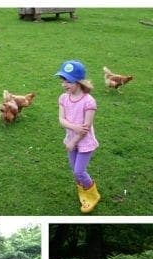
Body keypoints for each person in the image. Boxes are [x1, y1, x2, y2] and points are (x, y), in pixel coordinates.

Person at [55, 59, 100, 214]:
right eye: (63, 80)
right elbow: (61, 120)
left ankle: (93, 195)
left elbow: (85, 129)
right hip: (71, 140)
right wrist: (74, 128)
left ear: (79, 82)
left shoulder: (89, 101)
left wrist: (74, 140)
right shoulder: (63, 98)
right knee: (74, 170)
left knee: (79, 171)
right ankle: (83, 191)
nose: (64, 84)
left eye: (68, 81)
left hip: (84, 142)